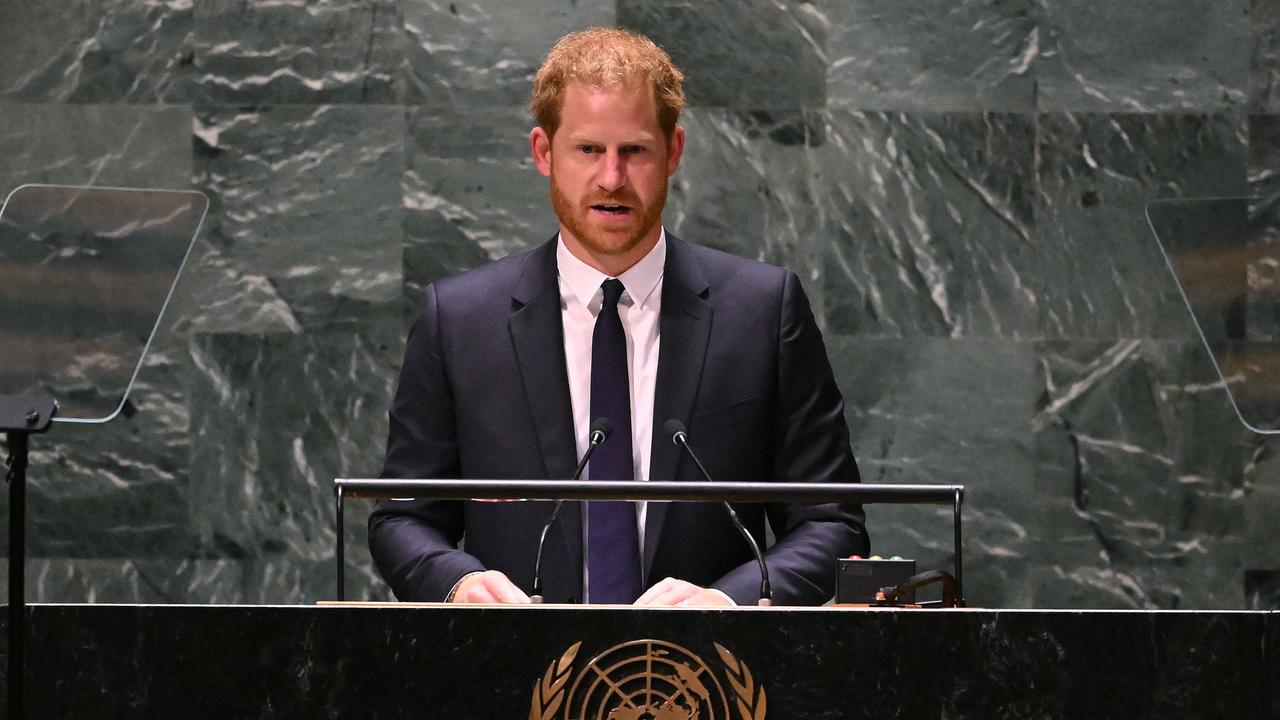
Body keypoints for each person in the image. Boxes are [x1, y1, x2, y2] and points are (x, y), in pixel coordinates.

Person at [368, 27, 868, 606]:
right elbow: (402, 518)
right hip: (511, 674)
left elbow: (833, 524)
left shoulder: (761, 311)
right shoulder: (459, 321)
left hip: (710, 680)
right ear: (543, 153)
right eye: (588, 150)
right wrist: (456, 582)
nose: (611, 178)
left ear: (673, 152)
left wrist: (729, 603)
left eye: (634, 150)